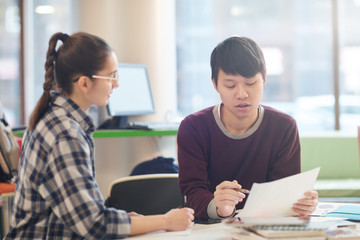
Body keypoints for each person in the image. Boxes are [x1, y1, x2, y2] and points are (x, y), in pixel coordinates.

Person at [5, 32, 194, 239]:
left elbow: (82, 212)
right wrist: (165, 221)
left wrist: (131, 221)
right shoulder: (65, 134)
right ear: (84, 83)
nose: (116, 83)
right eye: (111, 76)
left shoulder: (56, 117)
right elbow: (94, 224)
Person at [177, 36, 318, 221]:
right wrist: (220, 208)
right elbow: (192, 194)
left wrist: (300, 203)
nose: (242, 94)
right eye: (230, 85)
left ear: (264, 78)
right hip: (207, 229)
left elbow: (285, 192)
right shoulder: (193, 128)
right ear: (215, 84)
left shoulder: (283, 127)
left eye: (251, 83)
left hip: (264, 228)